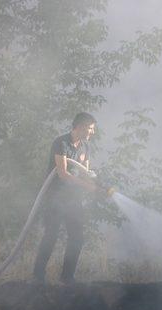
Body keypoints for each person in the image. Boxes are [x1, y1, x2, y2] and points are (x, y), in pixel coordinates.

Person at [33, 112, 101, 285]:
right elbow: (63, 173)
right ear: (80, 126)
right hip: (54, 196)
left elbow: (85, 172)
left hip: (73, 199)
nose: (92, 132)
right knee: (51, 235)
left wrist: (97, 185)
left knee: (77, 237)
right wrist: (88, 187)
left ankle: (67, 278)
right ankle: (37, 278)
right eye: (91, 128)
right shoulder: (61, 143)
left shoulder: (86, 146)